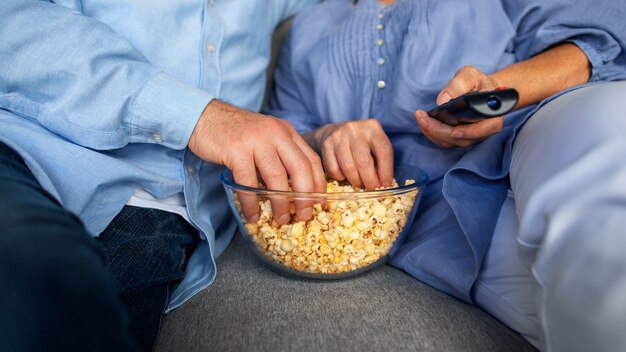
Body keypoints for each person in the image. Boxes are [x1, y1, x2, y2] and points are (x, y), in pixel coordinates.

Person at [267, 0, 626, 350]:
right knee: (588, 307)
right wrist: (327, 134)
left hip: (530, 130)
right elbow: (287, 129)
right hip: (432, 217)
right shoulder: (307, 29)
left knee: (608, 130)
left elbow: (594, 39)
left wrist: (500, 88)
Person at [0, 1, 325, 351]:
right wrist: (200, 117)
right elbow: (13, 25)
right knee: (33, 273)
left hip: (162, 221)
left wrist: (320, 136)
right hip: (31, 159)